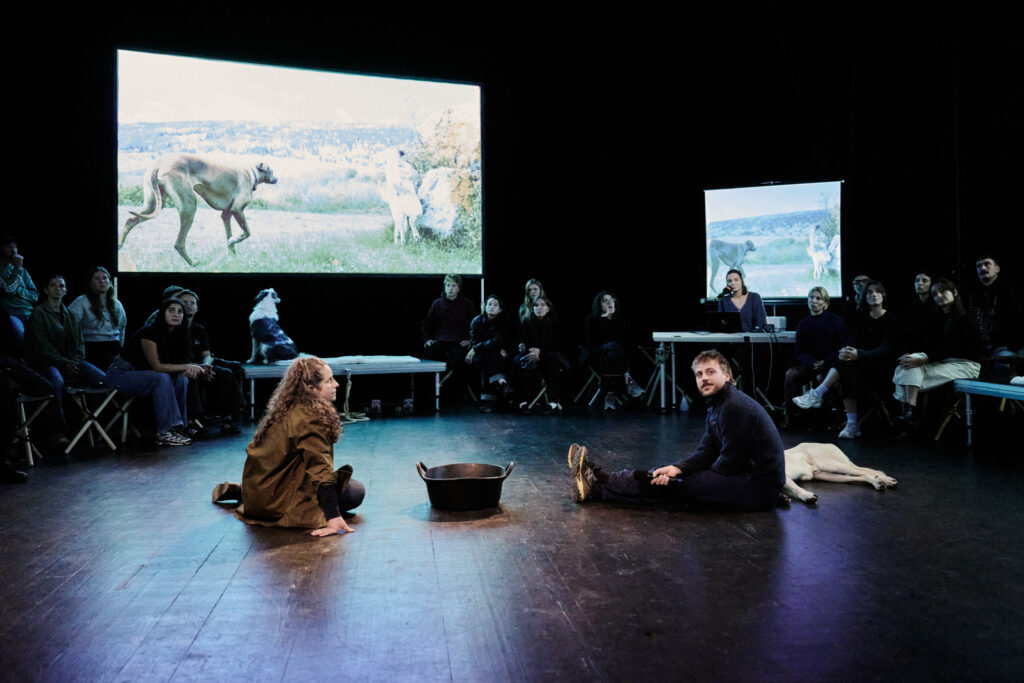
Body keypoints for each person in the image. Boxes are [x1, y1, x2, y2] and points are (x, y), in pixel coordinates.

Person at [568, 349, 785, 511]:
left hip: (759, 489)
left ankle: (598, 486)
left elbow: (730, 464)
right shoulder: (717, 404)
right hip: (746, 479)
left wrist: (688, 477)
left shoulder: (733, 406)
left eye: (710, 372)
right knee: (668, 476)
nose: (704, 378)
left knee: (679, 487)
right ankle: (602, 480)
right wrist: (678, 468)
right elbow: (706, 451)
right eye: (699, 374)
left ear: (727, 376)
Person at [212, 357, 365, 537]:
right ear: (311, 388)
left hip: (259, 493)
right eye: (329, 380)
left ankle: (244, 492)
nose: (336, 384)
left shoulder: (286, 409)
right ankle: (255, 496)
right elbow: (321, 471)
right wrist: (333, 517)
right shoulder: (311, 419)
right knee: (355, 491)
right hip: (277, 505)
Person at [792, 280, 900, 439]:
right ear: (865, 297)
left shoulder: (891, 318)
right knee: (846, 366)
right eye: (869, 292)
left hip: (882, 366)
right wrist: (846, 352)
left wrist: (858, 354)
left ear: (883, 295)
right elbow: (850, 341)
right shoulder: (860, 317)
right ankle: (851, 424)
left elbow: (886, 349)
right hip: (860, 364)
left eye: (877, 291)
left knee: (845, 366)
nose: (874, 295)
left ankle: (818, 394)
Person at [105, 297, 206, 446]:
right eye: (171, 310)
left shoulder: (178, 335)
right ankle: (164, 432)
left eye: (180, 312)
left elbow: (176, 365)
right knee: (161, 377)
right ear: (162, 313)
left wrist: (195, 368)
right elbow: (158, 366)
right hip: (119, 375)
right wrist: (187, 366)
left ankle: (178, 428)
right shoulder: (149, 332)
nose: (176, 314)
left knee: (181, 379)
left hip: (143, 374)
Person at [893, 278, 982, 426]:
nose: (938, 296)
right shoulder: (937, 318)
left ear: (954, 292)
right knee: (907, 363)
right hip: (942, 361)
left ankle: (909, 414)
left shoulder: (966, 317)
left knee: (905, 373)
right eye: (934, 294)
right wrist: (911, 356)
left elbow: (952, 348)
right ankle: (910, 413)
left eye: (943, 291)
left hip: (966, 365)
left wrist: (923, 360)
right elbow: (929, 345)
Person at [23, 275, 107, 431]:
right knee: (56, 382)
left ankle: (91, 425)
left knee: (101, 379)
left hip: (70, 362)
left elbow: (80, 343)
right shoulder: (39, 313)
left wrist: (75, 360)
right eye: (53, 285)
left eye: (61, 286)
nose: (58, 288)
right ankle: (57, 431)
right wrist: (64, 362)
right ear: (46, 290)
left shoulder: (70, 315)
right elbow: (42, 345)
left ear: (66, 290)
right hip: (46, 362)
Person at [178, 289, 243, 434]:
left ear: (197, 308)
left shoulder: (199, 329)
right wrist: (197, 368)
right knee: (191, 377)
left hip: (201, 367)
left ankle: (227, 420)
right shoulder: (174, 328)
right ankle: (193, 422)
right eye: (184, 302)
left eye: (192, 303)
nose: (189, 305)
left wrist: (206, 366)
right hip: (184, 368)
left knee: (226, 374)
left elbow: (207, 354)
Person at [785, 286, 847, 422]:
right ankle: (791, 416)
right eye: (811, 297)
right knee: (791, 374)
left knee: (822, 377)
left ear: (825, 303)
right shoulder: (803, 324)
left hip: (831, 364)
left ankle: (839, 415)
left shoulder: (835, 320)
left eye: (818, 298)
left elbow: (841, 347)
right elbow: (800, 351)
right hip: (811, 364)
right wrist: (812, 362)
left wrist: (825, 361)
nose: (814, 301)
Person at [582, 290, 644, 410]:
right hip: (597, 355)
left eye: (611, 300)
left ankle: (609, 394)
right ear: (599, 304)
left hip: (613, 358)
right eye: (605, 301)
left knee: (614, 348)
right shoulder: (591, 319)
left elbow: (614, 338)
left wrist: (608, 318)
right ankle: (628, 380)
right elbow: (592, 342)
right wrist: (604, 318)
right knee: (613, 347)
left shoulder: (620, 320)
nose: (609, 303)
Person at [67, 266, 127, 372]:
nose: (102, 281)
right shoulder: (81, 302)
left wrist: (121, 347)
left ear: (109, 282)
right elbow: (69, 325)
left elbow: (122, 327)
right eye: (97, 278)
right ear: (90, 283)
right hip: (92, 346)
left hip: (114, 346)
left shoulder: (116, 304)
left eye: (104, 278)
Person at [516, 295, 568, 415]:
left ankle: (553, 402)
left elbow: (557, 344)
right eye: (536, 305)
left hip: (550, 353)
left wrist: (540, 351)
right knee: (517, 362)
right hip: (531, 353)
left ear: (548, 308)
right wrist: (524, 346)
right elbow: (523, 340)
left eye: (542, 305)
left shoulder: (555, 322)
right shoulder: (527, 321)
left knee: (551, 362)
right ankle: (522, 401)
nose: (539, 308)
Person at [968, 253, 1023, 358]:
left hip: (1007, 348)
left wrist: (1010, 345)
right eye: (978, 265)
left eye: (987, 264)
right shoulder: (973, 294)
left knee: (1004, 359)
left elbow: (1019, 320)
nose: (982, 268)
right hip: (982, 349)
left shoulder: (1010, 290)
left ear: (997, 268)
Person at [466, 295, 515, 412]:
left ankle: (487, 401)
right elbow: (474, 341)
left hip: (494, 353)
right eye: (489, 304)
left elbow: (498, 340)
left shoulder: (504, 321)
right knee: (489, 358)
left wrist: (475, 349)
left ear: (500, 310)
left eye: (495, 305)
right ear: (485, 306)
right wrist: (477, 348)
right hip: (482, 354)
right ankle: (502, 382)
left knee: (490, 359)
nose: (491, 307)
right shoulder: (476, 321)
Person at [420, 274, 478, 370]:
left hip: (459, 342)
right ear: (445, 287)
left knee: (461, 362)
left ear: (458, 288)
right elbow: (427, 324)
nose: (450, 288)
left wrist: (470, 341)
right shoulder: (437, 303)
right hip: (440, 340)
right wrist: (427, 339)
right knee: (427, 358)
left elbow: (476, 325)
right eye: (448, 285)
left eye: (454, 285)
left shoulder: (467, 304)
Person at [0, 235, 38, 353]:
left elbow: (35, 296)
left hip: (28, 313)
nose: (14, 250)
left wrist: (19, 291)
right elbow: (9, 290)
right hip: (11, 314)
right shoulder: (5, 270)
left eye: (15, 246)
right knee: (20, 333)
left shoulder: (23, 271)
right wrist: (17, 270)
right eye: (9, 246)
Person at [900, 272, 939, 354]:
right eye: (917, 280)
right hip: (911, 350)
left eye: (924, 280)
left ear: (931, 284)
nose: (919, 283)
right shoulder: (909, 305)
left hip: (931, 351)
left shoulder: (937, 304)